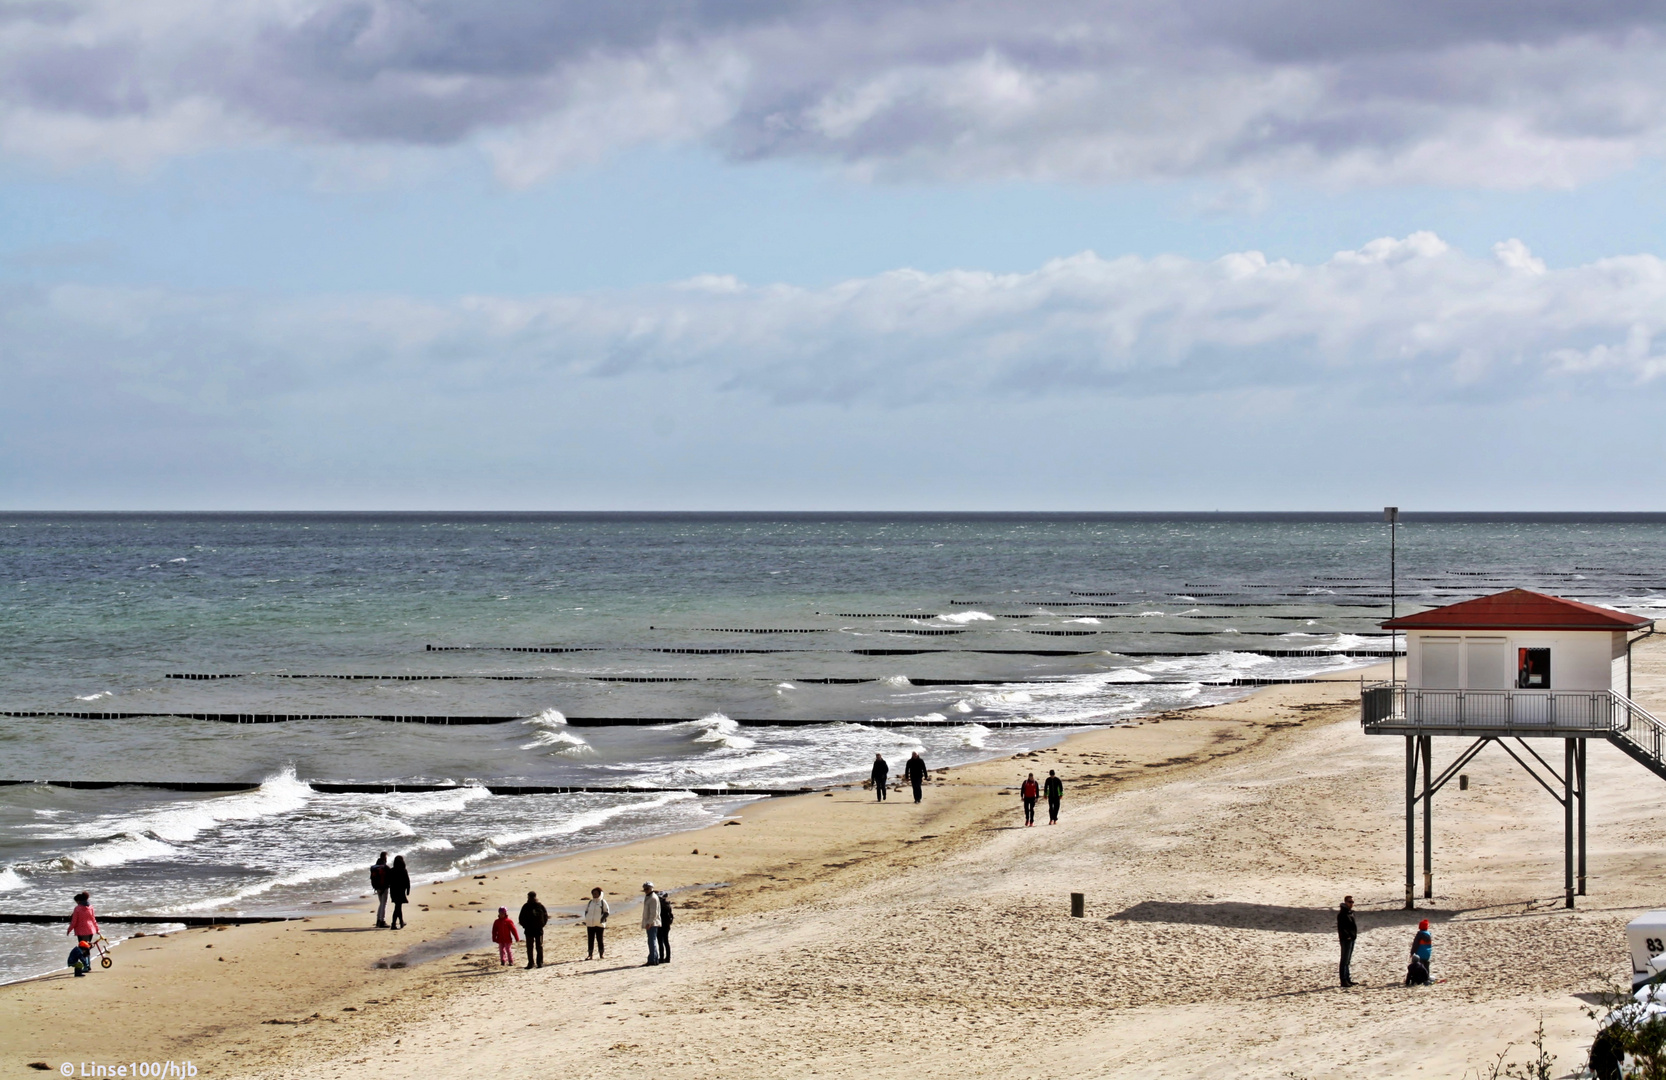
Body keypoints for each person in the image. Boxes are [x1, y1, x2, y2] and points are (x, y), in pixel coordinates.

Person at [68, 892, 99, 977]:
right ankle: (88, 965)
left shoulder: (77, 908)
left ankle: (86, 966)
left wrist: (69, 929)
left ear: (79, 900)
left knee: (82, 949)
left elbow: (74, 922)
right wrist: (97, 929)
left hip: (81, 931)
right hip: (90, 929)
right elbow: (94, 919)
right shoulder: (91, 907)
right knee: (87, 947)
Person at [519, 891, 548, 969]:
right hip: (530, 930)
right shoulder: (526, 906)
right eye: (530, 897)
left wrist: (542, 925)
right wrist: (525, 926)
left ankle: (538, 963)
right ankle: (532, 963)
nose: (531, 898)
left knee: (537, 946)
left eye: (532, 897)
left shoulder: (539, 906)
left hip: (537, 929)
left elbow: (545, 917)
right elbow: (521, 918)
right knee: (532, 947)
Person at [582, 887, 610, 959]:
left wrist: (601, 920)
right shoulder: (590, 902)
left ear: (599, 894)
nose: (594, 895)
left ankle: (601, 954)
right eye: (593, 893)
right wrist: (587, 919)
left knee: (599, 939)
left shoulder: (603, 902)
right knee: (590, 939)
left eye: (596, 893)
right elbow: (586, 911)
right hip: (590, 924)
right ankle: (590, 954)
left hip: (599, 924)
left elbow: (606, 912)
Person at [1337, 895, 1357, 987]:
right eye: (1350, 902)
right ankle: (1343, 980)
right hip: (1346, 939)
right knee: (1344, 960)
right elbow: (1341, 928)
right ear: (1345, 902)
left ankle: (1348, 978)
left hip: (1351, 938)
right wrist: (1347, 936)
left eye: (1352, 902)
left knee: (1348, 960)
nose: (1351, 904)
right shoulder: (1342, 914)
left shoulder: (1349, 913)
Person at [640, 882, 662, 966]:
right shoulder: (648, 897)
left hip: (652, 923)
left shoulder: (653, 898)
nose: (646, 890)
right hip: (650, 922)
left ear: (651, 888)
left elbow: (654, 913)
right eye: (645, 889)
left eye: (647, 888)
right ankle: (654, 958)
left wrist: (649, 922)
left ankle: (652, 959)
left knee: (651, 941)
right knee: (651, 941)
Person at [388, 855, 410, 930]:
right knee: (398, 907)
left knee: (398, 906)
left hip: (393, 891)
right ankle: (393, 924)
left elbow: (389, 881)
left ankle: (401, 922)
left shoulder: (391, 870)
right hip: (401, 891)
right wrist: (408, 891)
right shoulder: (403, 870)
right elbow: (407, 881)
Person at [1407, 918, 1433, 984]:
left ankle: (1419, 979)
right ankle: (1426, 978)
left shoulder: (1419, 935)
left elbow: (1415, 945)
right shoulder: (1429, 935)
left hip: (1419, 954)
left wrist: (1412, 953)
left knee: (1419, 966)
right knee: (1426, 966)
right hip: (1427, 953)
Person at [369, 852, 390, 928]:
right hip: (384, 887)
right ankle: (382, 921)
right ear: (385, 858)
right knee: (384, 904)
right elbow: (389, 877)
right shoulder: (385, 867)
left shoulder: (374, 867)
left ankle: (378, 920)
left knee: (381, 903)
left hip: (377, 887)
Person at [655, 888, 674, 965]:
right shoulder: (668, 904)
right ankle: (668, 957)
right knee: (666, 941)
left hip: (661, 925)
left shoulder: (660, 905)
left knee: (660, 941)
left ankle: (662, 958)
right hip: (667, 925)